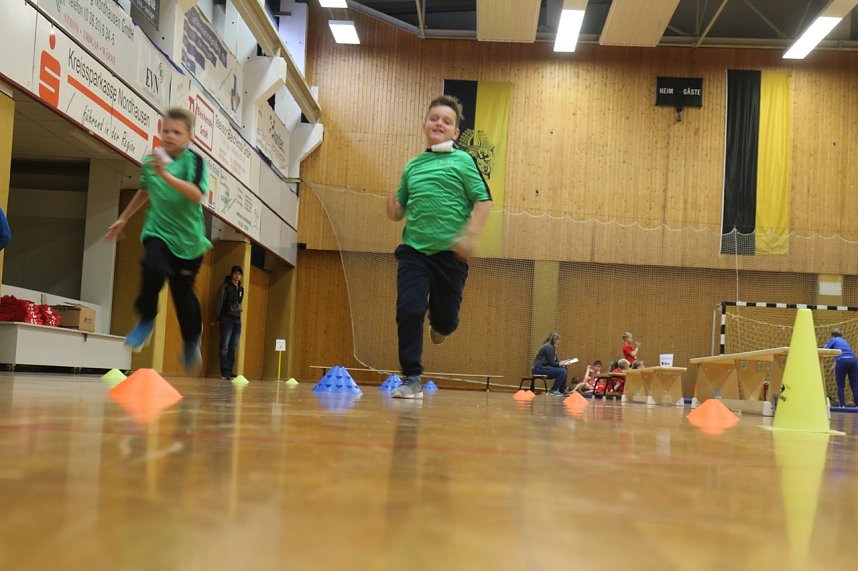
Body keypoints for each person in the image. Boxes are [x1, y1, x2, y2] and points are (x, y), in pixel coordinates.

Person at [385, 95, 492, 399]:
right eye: (435, 119)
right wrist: (393, 210)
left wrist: (469, 234)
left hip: (450, 256)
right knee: (409, 308)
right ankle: (412, 377)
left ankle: (442, 325)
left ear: (455, 133)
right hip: (415, 250)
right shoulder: (413, 166)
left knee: (445, 321)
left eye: (447, 121)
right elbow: (400, 210)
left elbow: (484, 200)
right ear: (425, 125)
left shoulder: (463, 161)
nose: (439, 124)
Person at [105, 108, 211, 372]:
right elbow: (145, 190)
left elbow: (197, 194)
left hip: (188, 243)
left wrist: (166, 175)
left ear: (189, 136)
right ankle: (146, 318)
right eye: (166, 131)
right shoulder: (151, 161)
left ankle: (190, 340)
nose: (170, 136)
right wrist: (124, 218)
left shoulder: (194, 162)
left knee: (183, 295)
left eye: (177, 132)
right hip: (158, 231)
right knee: (152, 267)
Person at [214, 265, 244, 380]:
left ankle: (230, 370)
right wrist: (218, 317)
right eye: (235, 274)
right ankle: (224, 371)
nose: (237, 276)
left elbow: (239, 302)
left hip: (237, 319)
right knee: (225, 345)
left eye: (239, 274)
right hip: (226, 318)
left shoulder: (241, 289)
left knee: (234, 346)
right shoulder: (225, 286)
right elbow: (219, 302)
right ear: (232, 274)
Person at [824, 328, 858, 407]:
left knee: (840, 385)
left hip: (842, 361)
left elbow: (825, 350)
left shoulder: (833, 339)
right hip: (853, 360)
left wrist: (825, 345)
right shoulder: (844, 341)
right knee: (855, 385)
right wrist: (833, 366)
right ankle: (857, 405)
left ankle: (842, 405)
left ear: (832, 335)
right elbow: (844, 354)